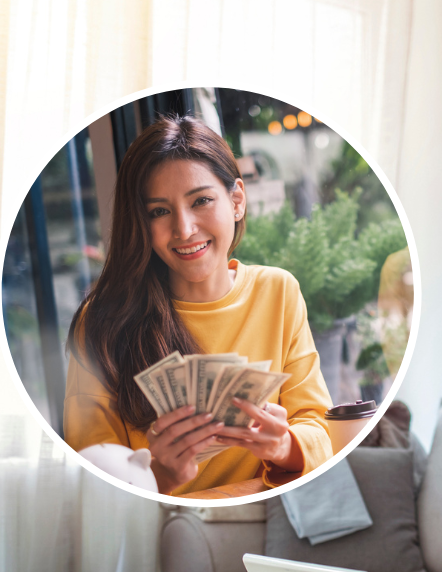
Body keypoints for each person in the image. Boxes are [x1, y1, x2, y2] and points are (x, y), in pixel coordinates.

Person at [63, 115, 334, 496]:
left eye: (201, 200)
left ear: (236, 200)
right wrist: (162, 474)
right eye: (159, 211)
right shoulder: (101, 322)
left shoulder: (279, 291)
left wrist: (284, 446)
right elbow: (89, 475)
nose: (184, 229)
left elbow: (319, 426)